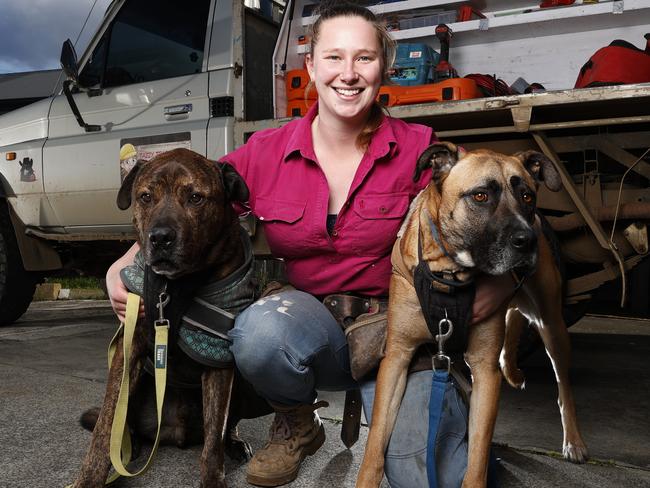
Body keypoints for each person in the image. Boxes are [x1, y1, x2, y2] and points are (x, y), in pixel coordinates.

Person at [106, 3, 513, 486]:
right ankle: (298, 422)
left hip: (401, 330)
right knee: (258, 332)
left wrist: (505, 281)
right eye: (334, 58)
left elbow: (513, 208)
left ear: (384, 67)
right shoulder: (264, 153)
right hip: (303, 327)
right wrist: (126, 263)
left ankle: (448, 422)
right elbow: (185, 192)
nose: (348, 74)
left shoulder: (420, 148)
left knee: (427, 476)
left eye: (364, 58)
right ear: (312, 66)